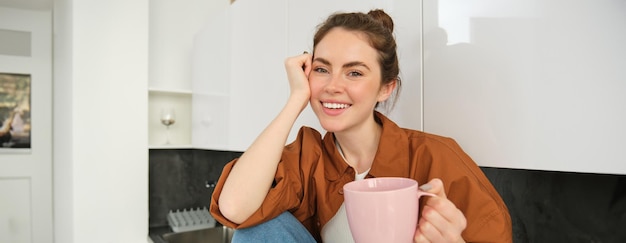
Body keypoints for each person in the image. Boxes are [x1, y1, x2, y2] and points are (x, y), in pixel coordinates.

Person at [210, 9, 512, 243]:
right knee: (259, 228)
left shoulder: (435, 156)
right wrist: (296, 99)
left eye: (354, 73)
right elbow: (236, 209)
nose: (333, 86)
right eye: (322, 69)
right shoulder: (307, 156)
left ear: (385, 88)